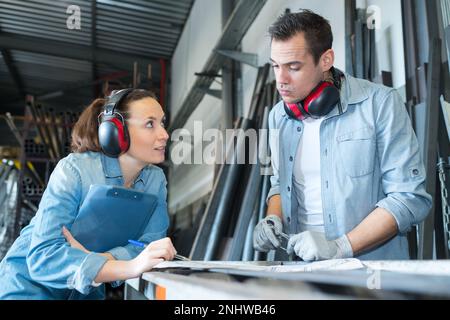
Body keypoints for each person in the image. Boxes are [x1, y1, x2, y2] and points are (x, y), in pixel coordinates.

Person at [253, 10, 432, 261]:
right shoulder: (278, 117)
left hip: (369, 274)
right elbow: (279, 184)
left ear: (325, 60)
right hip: (299, 270)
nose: (280, 80)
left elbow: (408, 197)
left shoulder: (379, 104)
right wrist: (273, 217)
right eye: (275, 66)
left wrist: (340, 247)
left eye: (293, 67)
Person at [0, 89, 177, 299]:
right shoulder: (74, 170)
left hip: (85, 291)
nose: (164, 134)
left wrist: (101, 259)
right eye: (150, 124)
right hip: (27, 286)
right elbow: (43, 257)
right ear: (116, 132)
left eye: (162, 123)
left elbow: (151, 246)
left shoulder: (155, 180)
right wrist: (127, 267)